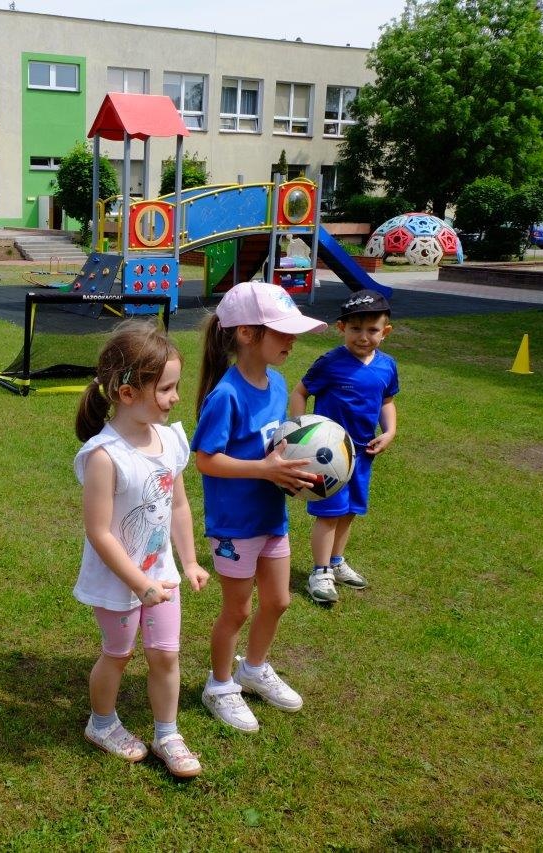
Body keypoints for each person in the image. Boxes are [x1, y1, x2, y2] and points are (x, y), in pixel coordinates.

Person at [73, 321, 210, 778]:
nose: (175, 398)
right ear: (127, 393)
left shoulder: (169, 440)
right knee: (118, 654)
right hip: (119, 581)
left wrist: (188, 561)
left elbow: (179, 505)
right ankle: (101, 724)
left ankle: (167, 733)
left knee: (166, 654)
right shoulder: (104, 455)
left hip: (162, 575)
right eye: (166, 389)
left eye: (176, 387)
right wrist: (138, 583)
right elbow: (100, 533)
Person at [191, 281, 326, 733]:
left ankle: (253, 668)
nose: (293, 340)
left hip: (271, 517)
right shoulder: (226, 395)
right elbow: (206, 460)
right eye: (283, 332)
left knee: (279, 601)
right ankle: (219, 685)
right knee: (238, 611)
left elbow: (278, 444)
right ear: (247, 334)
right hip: (234, 525)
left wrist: (298, 468)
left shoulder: (279, 383)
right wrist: (264, 470)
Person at [289, 289, 398, 604]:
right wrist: (300, 433)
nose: (363, 337)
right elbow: (300, 392)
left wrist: (390, 432)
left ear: (385, 332)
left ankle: (336, 562)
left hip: (363, 454)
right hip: (328, 457)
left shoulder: (387, 366)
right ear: (341, 328)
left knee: (349, 512)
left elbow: (386, 401)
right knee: (329, 514)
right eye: (355, 329)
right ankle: (320, 572)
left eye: (372, 330)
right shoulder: (330, 363)